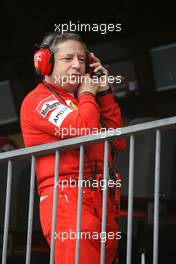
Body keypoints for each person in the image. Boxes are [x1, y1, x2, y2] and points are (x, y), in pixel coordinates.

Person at [20, 32, 126, 264]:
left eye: (82, 59)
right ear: (45, 63)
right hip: (66, 199)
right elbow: (82, 130)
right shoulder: (37, 100)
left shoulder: (86, 102)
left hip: (102, 199)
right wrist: (88, 92)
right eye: (68, 59)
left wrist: (105, 92)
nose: (77, 65)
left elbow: (118, 142)